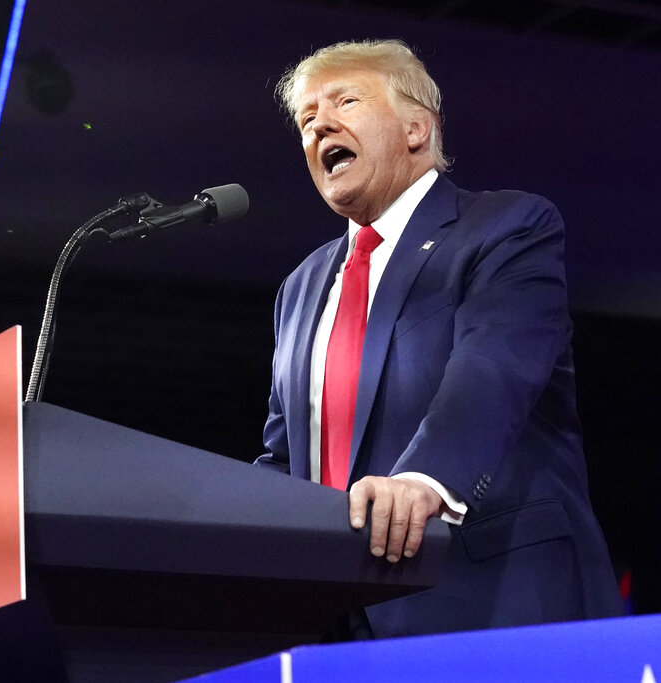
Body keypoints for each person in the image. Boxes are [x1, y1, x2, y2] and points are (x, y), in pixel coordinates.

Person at [255, 39, 623, 637]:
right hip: (333, 619)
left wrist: (425, 479)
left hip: (488, 603)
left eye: (345, 100)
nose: (320, 124)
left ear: (417, 129)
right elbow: (284, 455)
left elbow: (494, 369)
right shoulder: (300, 287)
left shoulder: (506, 227)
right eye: (306, 119)